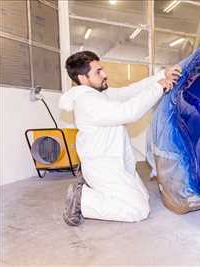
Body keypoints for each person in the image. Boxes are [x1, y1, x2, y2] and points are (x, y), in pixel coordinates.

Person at [59, 51, 181, 226]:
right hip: (103, 167)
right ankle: (83, 200)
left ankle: (95, 189)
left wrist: (162, 75)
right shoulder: (87, 102)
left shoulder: (98, 94)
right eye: (98, 72)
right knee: (138, 210)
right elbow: (128, 112)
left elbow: (130, 92)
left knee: (143, 197)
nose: (104, 74)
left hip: (116, 163)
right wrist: (159, 87)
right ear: (83, 78)